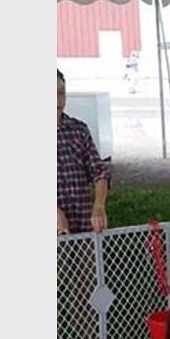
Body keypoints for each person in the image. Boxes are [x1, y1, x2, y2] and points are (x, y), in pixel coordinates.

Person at [57, 69, 111, 235]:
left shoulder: (79, 130)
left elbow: (100, 172)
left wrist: (99, 206)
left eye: (61, 93)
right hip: (57, 230)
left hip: (85, 228)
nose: (58, 100)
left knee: (90, 261)